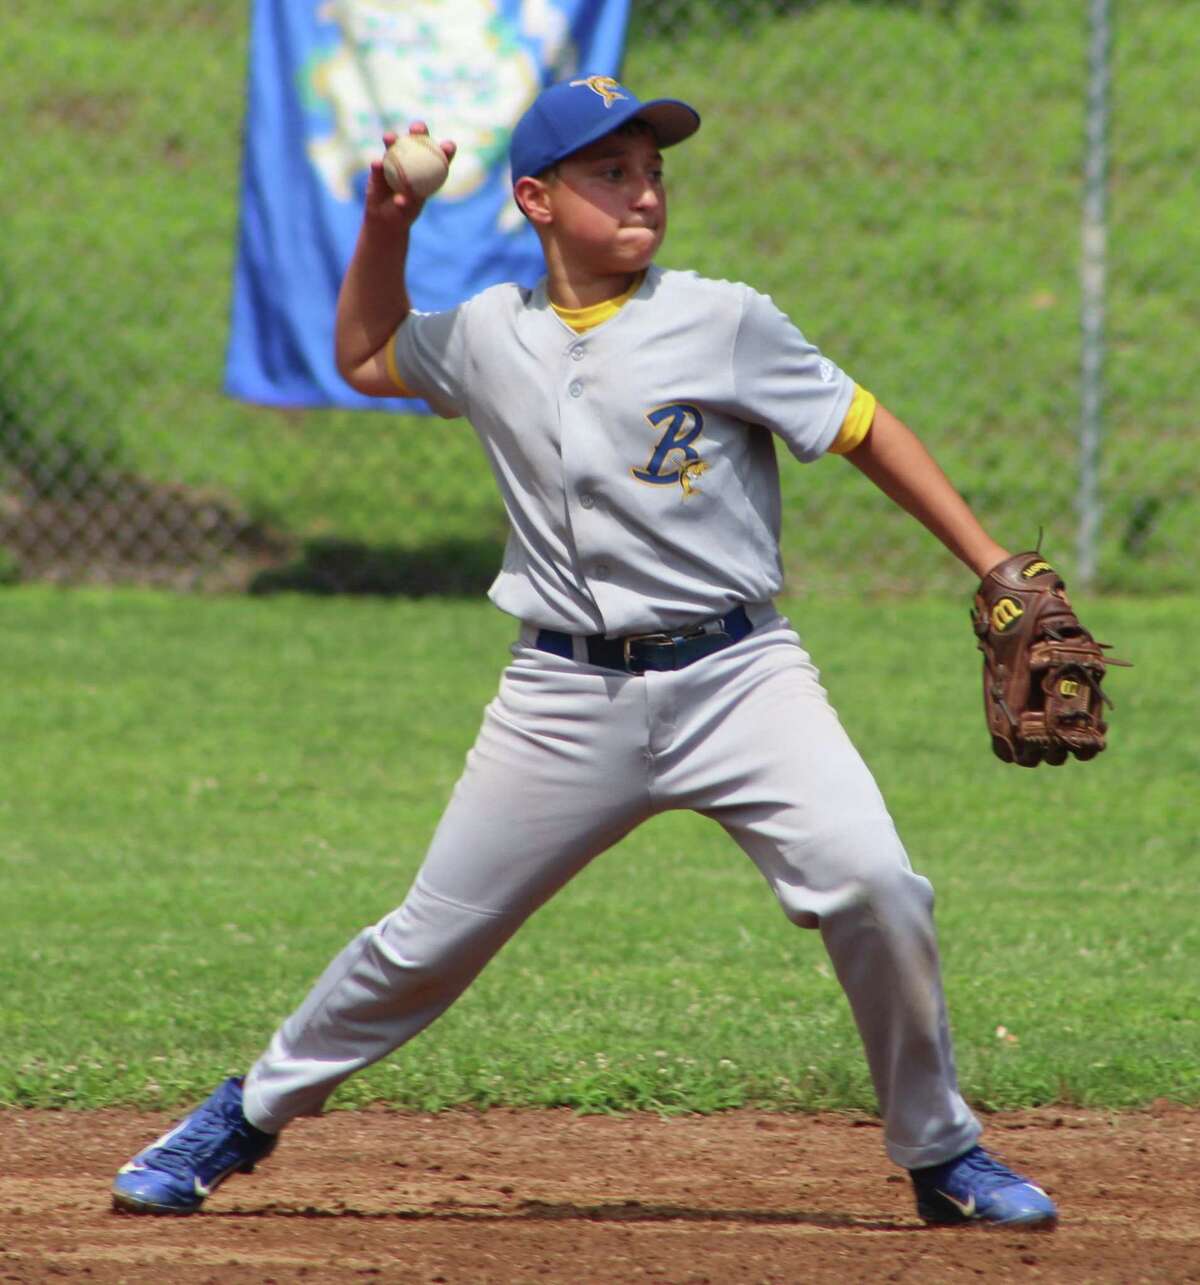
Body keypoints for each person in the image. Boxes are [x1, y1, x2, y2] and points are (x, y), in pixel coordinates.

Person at [112, 76, 1056, 1229]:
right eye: (610, 171)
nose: (644, 189)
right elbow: (364, 357)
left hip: (740, 678)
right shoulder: (489, 336)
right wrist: (386, 222)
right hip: (560, 696)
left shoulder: (726, 319)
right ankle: (244, 1114)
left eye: (652, 168)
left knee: (876, 884)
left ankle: (943, 1151)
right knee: (427, 941)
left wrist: (993, 565)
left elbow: (862, 427)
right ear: (537, 199)